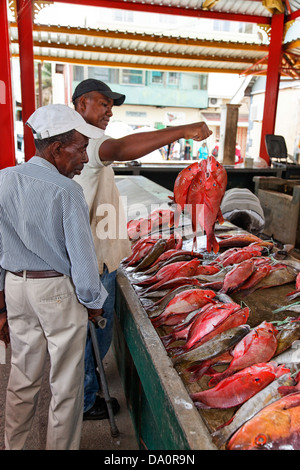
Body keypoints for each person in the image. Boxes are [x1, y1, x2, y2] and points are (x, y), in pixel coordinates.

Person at [72, 78, 212, 420]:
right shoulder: (84, 141)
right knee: (95, 334)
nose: (108, 111)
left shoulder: (77, 141)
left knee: (92, 333)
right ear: (80, 104)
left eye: (111, 106)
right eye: (102, 103)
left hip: (95, 251)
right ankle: (87, 399)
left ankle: (84, 391)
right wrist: (181, 130)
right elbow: (120, 149)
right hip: (94, 259)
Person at [0, 104, 108, 450]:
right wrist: (94, 303)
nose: (85, 158)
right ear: (57, 148)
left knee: (23, 375)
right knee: (65, 385)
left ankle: (13, 446)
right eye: (80, 149)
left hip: (17, 285)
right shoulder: (67, 191)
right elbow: (82, 259)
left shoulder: (3, 179)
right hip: (56, 293)